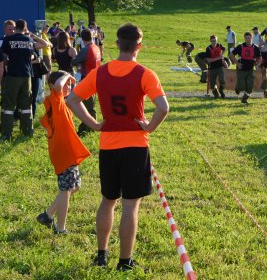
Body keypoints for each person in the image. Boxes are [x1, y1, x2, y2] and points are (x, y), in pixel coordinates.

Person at [66, 23, 169, 271]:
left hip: (109, 145)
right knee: (131, 205)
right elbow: (163, 107)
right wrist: (148, 127)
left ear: (116, 44)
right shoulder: (145, 73)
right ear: (139, 46)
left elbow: (72, 99)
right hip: (135, 146)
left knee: (108, 200)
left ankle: (101, 255)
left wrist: (93, 124)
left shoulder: (100, 73)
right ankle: (125, 262)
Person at [36, 70, 91, 234]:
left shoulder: (60, 102)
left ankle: (48, 215)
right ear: (52, 85)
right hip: (64, 153)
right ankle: (60, 228)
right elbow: (60, 86)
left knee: (75, 186)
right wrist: (68, 75)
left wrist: (71, 81)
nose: (68, 86)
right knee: (66, 190)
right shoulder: (55, 99)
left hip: (65, 151)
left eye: (69, 84)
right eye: (64, 83)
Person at [1, 19, 39, 140]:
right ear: (25, 28)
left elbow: (4, 56)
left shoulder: (8, 39)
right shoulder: (29, 40)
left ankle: (7, 133)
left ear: (16, 27)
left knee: (9, 105)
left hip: (12, 75)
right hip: (27, 76)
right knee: (26, 104)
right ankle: (27, 130)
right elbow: (32, 56)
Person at [71, 29, 101, 135]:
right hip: (95, 78)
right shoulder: (96, 48)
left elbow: (73, 62)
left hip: (87, 79)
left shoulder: (86, 50)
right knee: (90, 104)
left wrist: (74, 54)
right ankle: (90, 127)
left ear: (81, 39)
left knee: (85, 105)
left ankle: (87, 128)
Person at [230, 32, 261, 104]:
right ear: (244, 38)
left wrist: (257, 64)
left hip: (250, 70)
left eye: (249, 38)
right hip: (241, 69)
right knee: (241, 87)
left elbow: (260, 57)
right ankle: (237, 87)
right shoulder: (240, 47)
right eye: (246, 38)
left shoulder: (255, 47)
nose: (248, 39)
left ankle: (244, 99)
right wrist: (237, 63)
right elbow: (231, 55)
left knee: (250, 87)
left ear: (251, 38)